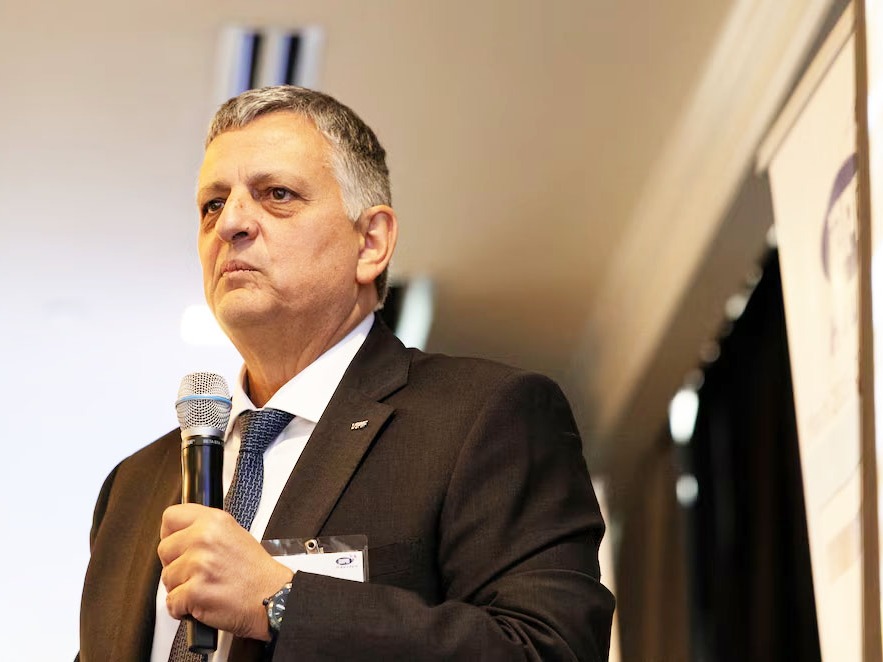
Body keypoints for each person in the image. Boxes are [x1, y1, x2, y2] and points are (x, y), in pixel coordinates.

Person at [78, 85, 615, 661]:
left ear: (370, 242)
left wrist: (282, 603)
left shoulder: (485, 417)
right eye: (212, 205)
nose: (230, 222)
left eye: (277, 194)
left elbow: (548, 650)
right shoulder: (132, 486)